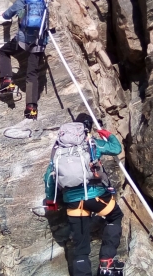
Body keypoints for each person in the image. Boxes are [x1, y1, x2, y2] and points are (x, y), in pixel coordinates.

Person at [44, 117, 124, 276]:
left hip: (73, 203)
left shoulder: (58, 151)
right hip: (96, 197)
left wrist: (51, 200)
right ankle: (106, 263)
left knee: (80, 249)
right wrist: (108, 134)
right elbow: (116, 148)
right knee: (115, 216)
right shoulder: (91, 143)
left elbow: (49, 178)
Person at [0, 0, 48, 119]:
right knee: (32, 74)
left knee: (4, 51)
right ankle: (31, 108)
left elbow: (8, 14)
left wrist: (4, 15)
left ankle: (7, 80)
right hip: (40, 42)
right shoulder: (43, 0)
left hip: (24, 40)